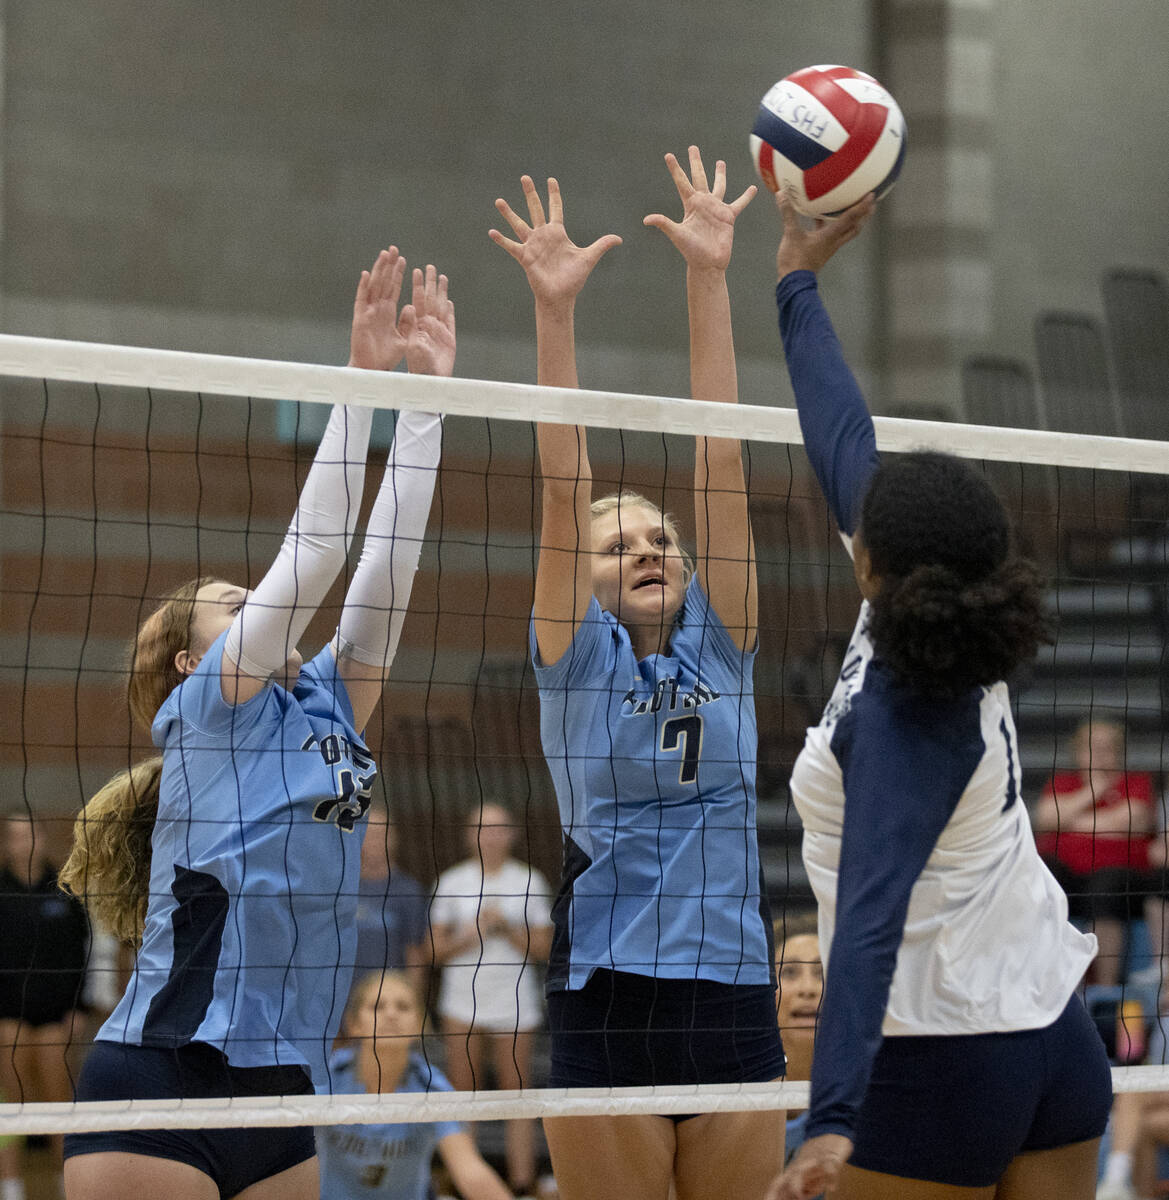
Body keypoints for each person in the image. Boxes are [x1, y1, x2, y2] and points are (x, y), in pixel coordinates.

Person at [56, 246, 454, 1200]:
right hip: (162, 1077)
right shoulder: (206, 709)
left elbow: (386, 568)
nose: (255, 606)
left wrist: (428, 398)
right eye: (232, 605)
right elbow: (314, 556)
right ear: (194, 660)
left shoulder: (326, 703)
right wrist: (358, 380)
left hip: (281, 1087)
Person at [764, 194, 1113, 1200]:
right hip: (1055, 1041)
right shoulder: (944, 607)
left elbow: (868, 925)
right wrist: (795, 280)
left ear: (871, 558)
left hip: (941, 1058)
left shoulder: (898, 722)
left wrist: (830, 1120)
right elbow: (840, 435)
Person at [488, 148, 785, 1200]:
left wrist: (709, 275)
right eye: (623, 549)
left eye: (660, 540)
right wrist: (554, 313)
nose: (649, 551)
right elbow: (563, 494)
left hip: (734, 992)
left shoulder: (721, 642)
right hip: (608, 994)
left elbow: (721, 461)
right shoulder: (571, 659)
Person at [429, 802, 553, 1197]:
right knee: (463, 1095)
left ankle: (521, 1185)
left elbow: (546, 948)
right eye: (483, 827)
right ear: (471, 834)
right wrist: (472, 933)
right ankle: (461, 1183)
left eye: (499, 827)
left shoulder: (530, 881)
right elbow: (433, 950)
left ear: (512, 833)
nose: (491, 835)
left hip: (515, 1004)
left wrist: (505, 927)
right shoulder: (452, 881)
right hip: (461, 1004)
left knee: (516, 1096)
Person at [317, 970, 513, 1200]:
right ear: (353, 1024)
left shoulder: (431, 1087)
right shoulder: (327, 1078)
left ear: (419, 1024)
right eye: (377, 1006)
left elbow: (469, 1171)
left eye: (402, 1007)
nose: (391, 1014)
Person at [0, 812, 90, 1190]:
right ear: (7, 843)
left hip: (56, 1013)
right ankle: (12, 1187)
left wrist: (80, 1008)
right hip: (7, 1014)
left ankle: (64, 1182)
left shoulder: (65, 891)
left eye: (31, 833)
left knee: (57, 1101)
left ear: (42, 837)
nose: (26, 842)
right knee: (11, 1101)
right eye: (17, 835)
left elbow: (82, 954)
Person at [1033, 717, 1156, 985]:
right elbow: (1044, 818)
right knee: (1045, 875)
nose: (1099, 753)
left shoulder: (1136, 782)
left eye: (1107, 747)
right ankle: (1050, 981)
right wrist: (1094, 790)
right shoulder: (1062, 782)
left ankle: (1104, 988)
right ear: (1078, 752)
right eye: (1092, 747)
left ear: (1119, 752)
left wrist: (1069, 822)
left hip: (1118, 880)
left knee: (1106, 885)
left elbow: (1132, 823)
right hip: (1069, 875)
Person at [353, 804, 429, 997]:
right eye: (368, 834)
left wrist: (411, 999)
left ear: (393, 839)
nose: (374, 841)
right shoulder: (341, 888)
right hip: (348, 997)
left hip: (390, 997)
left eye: (380, 834)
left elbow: (416, 954)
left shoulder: (408, 890)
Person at [773, 913, 823, 1173]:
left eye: (821, 972)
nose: (808, 988)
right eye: (790, 972)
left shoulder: (872, 1086)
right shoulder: (730, 1083)